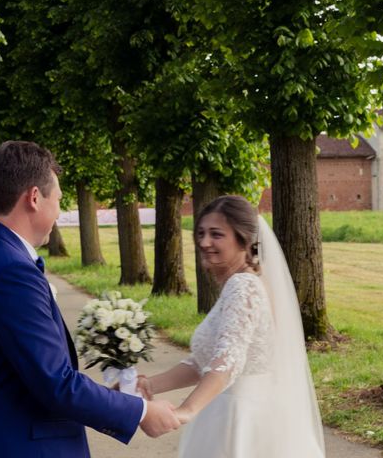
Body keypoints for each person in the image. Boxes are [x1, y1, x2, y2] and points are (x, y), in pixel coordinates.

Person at [0, 141, 180, 458]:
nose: (59, 211)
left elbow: (30, 370)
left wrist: (106, 397)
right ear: (34, 198)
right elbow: (56, 384)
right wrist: (140, 411)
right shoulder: (11, 271)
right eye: (57, 200)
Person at [137, 195, 326, 457]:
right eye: (201, 233)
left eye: (216, 234)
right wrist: (149, 385)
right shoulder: (240, 285)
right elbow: (202, 362)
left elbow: (228, 361)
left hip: (242, 418)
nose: (204, 242)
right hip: (231, 409)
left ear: (243, 240)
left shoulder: (243, 287)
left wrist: (186, 410)